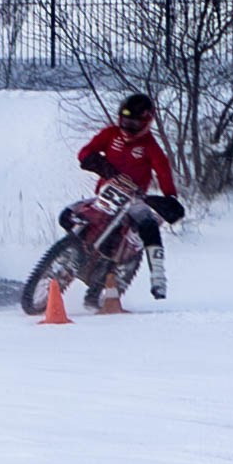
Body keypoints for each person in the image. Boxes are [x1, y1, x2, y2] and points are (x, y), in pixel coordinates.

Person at [74, 93, 184, 306]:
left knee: (148, 223)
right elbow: (86, 151)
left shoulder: (150, 146)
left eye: (134, 122)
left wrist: (170, 197)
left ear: (146, 122)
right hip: (106, 193)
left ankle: (158, 277)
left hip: (134, 199)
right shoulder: (110, 134)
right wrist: (97, 163)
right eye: (125, 121)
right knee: (74, 214)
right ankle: (69, 252)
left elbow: (163, 172)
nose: (128, 127)